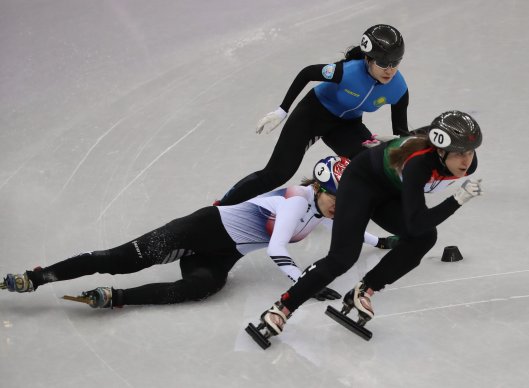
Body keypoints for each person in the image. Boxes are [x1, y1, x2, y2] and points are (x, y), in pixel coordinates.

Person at [1, 157, 399, 308]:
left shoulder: (325, 206)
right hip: (198, 230)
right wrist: (306, 282)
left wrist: (379, 241)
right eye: (336, 198)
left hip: (222, 255)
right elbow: (279, 250)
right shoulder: (297, 201)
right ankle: (35, 277)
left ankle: (113, 299)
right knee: (118, 261)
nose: (340, 206)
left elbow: (345, 227)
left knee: (200, 289)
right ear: (319, 187)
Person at [249, 110, 483, 341]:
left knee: (425, 238)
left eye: (470, 152)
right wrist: (456, 200)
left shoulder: (462, 162)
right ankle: (282, 308)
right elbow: (415, 223)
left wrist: (401, 140)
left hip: (389, 191)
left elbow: (425, 134)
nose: (467, 161)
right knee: (343, 257)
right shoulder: (418, 166)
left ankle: (365, 289)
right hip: (360, 184)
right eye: (460, 153)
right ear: (441, 150)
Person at [217, 24, 409, 206]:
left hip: (346, 125)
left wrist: (392, 143)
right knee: (278, 173)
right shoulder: (348, 72)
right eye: (383, 63)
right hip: (313, 114)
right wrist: (282, 109)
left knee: (372, 164)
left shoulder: (398, 88)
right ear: (368, 58)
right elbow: (307, 73)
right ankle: (221, 205)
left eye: (395, 62)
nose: (390, 70)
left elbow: (403, 134)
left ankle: (318, 191)